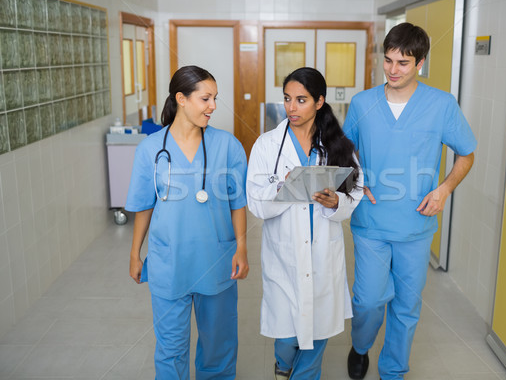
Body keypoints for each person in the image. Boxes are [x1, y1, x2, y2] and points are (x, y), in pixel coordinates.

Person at [343, 22, 477, 380]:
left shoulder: (441, 105)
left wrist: (444, 189)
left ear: (420, 63)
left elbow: (466, 154)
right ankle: (360, 345)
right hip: (371, 221)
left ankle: (393, 370)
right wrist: (355, 177)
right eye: (388, 60)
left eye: (403, 63)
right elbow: (342, 151)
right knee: (368, 301)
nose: (392, 70)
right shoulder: (362, 103)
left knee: (406, 306)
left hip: (416, 225)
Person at [126, 65, 249, 379]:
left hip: (216, 260)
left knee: (218, 348)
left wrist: (242, 248)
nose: (213, 106)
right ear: (180, 98)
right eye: (205, 98)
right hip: (170, 263)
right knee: (170, 349)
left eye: (215, 98)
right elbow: (144, 206)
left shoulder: (228, 146)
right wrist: (134, 253)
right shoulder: (151, 149)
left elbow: (238, 203)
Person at [246, 67, 363, 379]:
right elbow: (256, 202)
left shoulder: (339, 145)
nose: (291, 107)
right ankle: (283, 365)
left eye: (301, 100)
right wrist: (282, 188)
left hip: (323, 252)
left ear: (319, 101)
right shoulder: (267, 145)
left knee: (316, 336)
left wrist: (336, 202)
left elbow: (356, 190)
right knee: (287, 337)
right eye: (287, 99)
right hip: (283, 255)